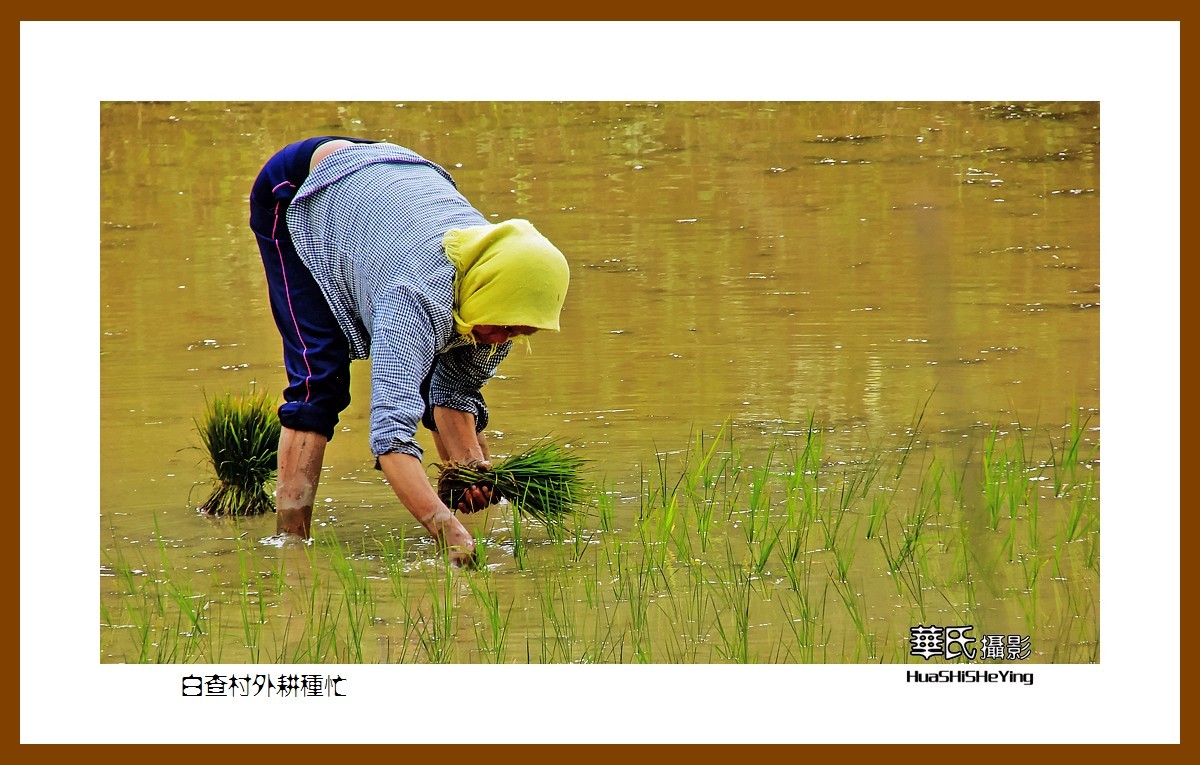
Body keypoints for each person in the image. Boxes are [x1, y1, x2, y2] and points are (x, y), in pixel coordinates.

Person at [248, 136, 570, 567]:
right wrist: (446, 530)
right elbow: (390, 438)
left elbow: (452, 390)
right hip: (301, 188)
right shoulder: (413, 298)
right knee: (320, 380)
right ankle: (290, 544)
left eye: (519, 331)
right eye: (504, 326)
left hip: (398, 181)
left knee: (447, 364)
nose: (502, 338)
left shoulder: (500, 300)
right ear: (485, 291)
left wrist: (469, 469)